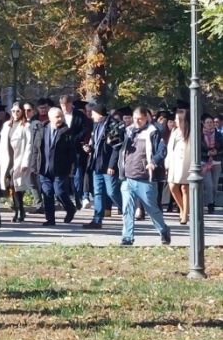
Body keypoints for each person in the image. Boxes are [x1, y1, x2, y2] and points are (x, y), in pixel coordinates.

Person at [118, 106, 170, 246]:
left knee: (152, 209)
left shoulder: (153, 132)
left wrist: (153, 162)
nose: (137, 122)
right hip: (128, 177)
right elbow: (119, 148)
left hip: (145, 179)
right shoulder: (129, 131)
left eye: (140, 119)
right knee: (127, 209)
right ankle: (127, 237)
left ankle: (163, 230)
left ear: (146, 118)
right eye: (135, 119)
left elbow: (161, 151)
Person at [30, 107, 77, 226]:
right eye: (57, 117)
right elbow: (36, 149)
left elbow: (72, 152)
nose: (60, 119)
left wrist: (72, 169)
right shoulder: (42, 129)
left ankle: (70, 208)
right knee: (47, 193)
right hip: (44, 169)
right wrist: (34, 165)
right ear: (50, 118)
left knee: (60, 192)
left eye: (61, 116)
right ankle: (50, 219)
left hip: (60, 169)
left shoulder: (67, 131)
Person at [82, 104, 124, 229]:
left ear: (99, 114)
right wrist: (89, 148)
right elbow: (96, 143)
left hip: (108, 165)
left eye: (93, 113)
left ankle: (127, 209)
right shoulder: (96, 125)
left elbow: (117, 147)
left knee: (112, 192)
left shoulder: (113, 124)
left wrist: (112, 165)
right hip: (96, 164)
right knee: (98, 193)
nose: (91, 116)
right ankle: (97, 220)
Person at [0, 103, 32, 224]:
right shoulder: (6, 125)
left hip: (19, 159)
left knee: (16, 186)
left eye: (18, 111)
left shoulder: (26, 126)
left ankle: (19, 211)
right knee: (9, 186)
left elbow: (29, 145)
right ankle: (17, 209)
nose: (15, 113)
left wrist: (25, 162)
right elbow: (1, 145)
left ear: (22, 112)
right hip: (7, 159)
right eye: (13, 111)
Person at [59, 95, 89, 209]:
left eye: (67, 105)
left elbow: (84, 129)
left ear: (71, 104)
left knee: (77, 175)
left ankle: (78, 198)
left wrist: (74, 139)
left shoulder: (79, 115)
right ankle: (65, 199)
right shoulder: (58, 115)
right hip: (62, 150)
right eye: (63, 105)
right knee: (64, 176)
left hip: (76, 149)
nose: (65, 108)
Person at [166, 109, 191, 225]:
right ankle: (182, 208)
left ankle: (185, 214)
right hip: (175, 161)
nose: (175, 121)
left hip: (187, 161)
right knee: (172, 186)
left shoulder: (191, 131)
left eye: (177, 118)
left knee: (185, 188)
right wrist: (168, 163)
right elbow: (170, 148)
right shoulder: (175, 131)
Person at [201, 113, 223, 214]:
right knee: (208, 184)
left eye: (211, 122)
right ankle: (210, 204)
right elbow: (197, 149)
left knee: (214, 185)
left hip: (216, 161)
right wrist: (207, 153)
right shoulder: (200, 135)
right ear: (203, 124)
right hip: (205, 162)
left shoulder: (218, 135)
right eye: (208, 122)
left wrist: (217, 152)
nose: (210, 124)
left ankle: (213, 201)